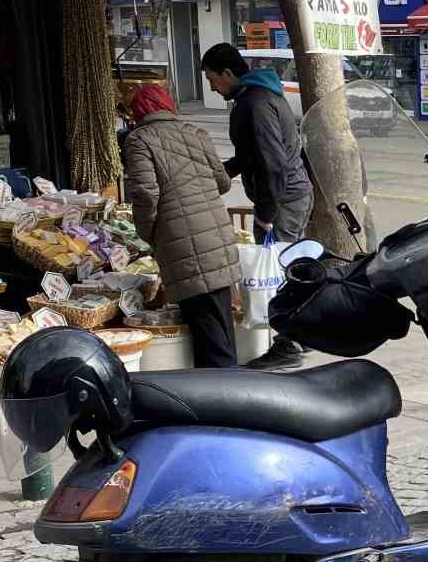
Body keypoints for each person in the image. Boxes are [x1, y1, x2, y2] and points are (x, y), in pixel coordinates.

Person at [201, 41, 313, 371]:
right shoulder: (258, 96)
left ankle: (289, 345)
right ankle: (298, 336)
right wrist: (224, 171)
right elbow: (253, 155)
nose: (211, 86)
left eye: (212, 79)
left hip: (284, 198)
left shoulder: (255, 103)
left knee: (278, 270)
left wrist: (265, 213)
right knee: (287, 266)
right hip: (287, 194)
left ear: (228, 73)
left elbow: (271, 163)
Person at [121, 85, 240, 369]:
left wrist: (147, 231)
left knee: (209, 334)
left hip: (181, 241)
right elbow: (222, 182)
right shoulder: (195, 132)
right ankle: (227, 392)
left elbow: (146, 194)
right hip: (216, 233)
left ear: (139, 112)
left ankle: (223, 402)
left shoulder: (139, 140)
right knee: (219, 325)